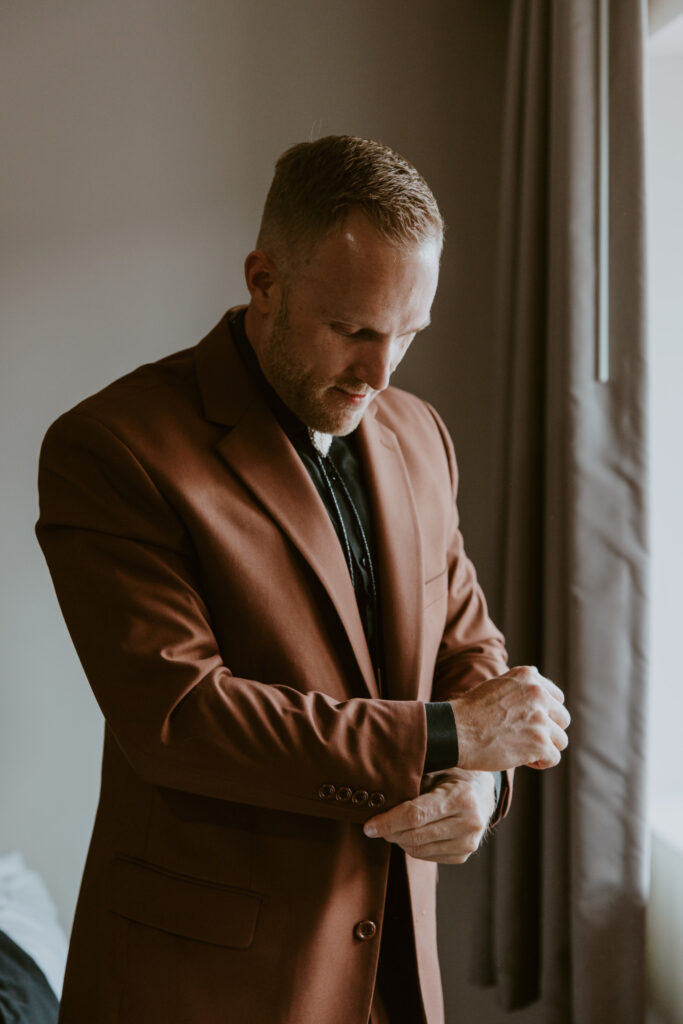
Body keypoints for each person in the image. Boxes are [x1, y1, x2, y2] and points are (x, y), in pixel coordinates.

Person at [36, 135, 570, 1024]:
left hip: (396, 974)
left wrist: (480, 785)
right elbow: (181, 718)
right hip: (201, 987)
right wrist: (445, 737)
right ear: (263, 281)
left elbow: (465, 646)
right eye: (354, 330)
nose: (382, 372)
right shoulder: (110, 446)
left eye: (408, 332)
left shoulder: (421, 434)